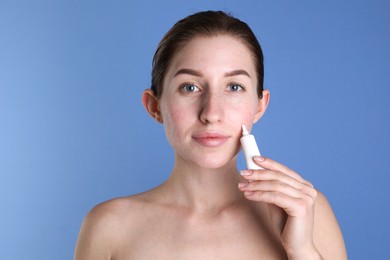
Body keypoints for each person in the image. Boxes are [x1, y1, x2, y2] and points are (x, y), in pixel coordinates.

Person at [74, 10, 347, 259]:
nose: (212, 113)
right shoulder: (109, 227)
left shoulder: (306, 211)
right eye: (190, 87)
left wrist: (301, 250)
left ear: (260, 105)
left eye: (234, 87)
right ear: (155, 106)